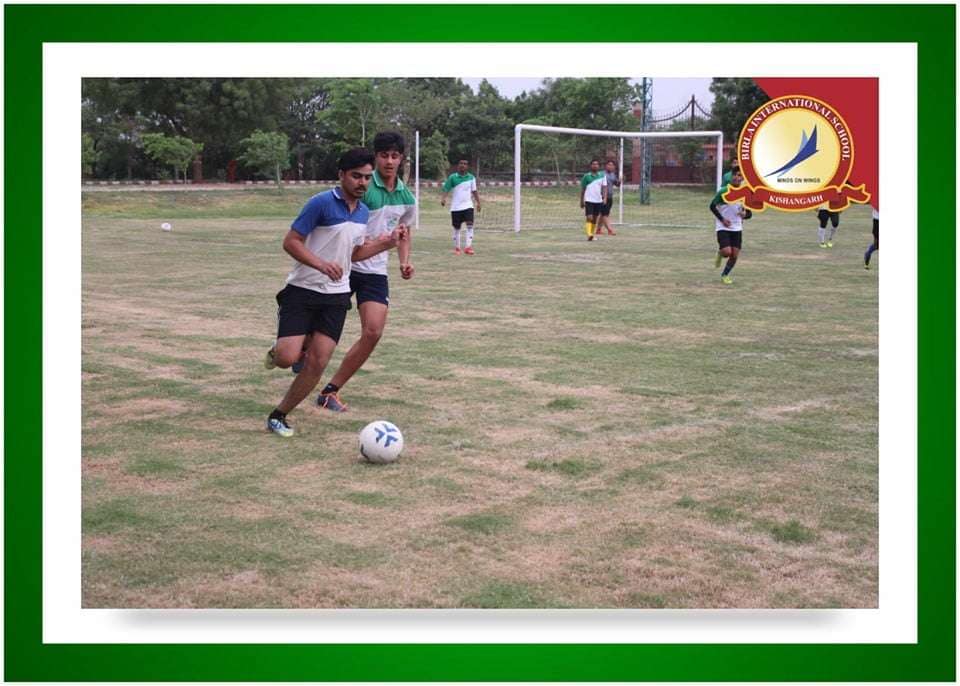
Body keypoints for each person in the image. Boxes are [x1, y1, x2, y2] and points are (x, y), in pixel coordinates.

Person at [263, 148, 400, 437]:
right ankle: (281, 350)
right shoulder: (321, 203)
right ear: (341, 175)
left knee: (317, 362)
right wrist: (321, 264)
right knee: (287, 358)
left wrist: (386, 244)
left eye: (367, 177)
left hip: (337, 297)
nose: (362, 183)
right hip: (302, 291)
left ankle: (279, 415)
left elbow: (355, 253)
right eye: (356, 176)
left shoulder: (362, 212)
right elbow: (291, 242)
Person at [315, 131, 417, 413]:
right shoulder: (363, 187)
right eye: (384, 155)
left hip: (374, 271)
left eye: (394, 156)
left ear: (401, 159)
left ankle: (330, 391)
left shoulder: (407, 197)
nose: (389, 161)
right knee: (320, 331)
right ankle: (295, 346)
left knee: (373, 331)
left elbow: (404, 232)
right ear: (375, 157)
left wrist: (403, 262)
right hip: (344, 266)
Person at [709, 168, 751, 285]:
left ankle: (725, 275)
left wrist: (745, 214)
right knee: (727, 252)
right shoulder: (723, 191)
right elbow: (712, 206)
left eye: (740, 176)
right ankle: (721, 253)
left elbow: (749, 214)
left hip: (737, 228)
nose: (737, 177)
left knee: (734, 255)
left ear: (743, 178)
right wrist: (722, 219)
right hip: (723, 227)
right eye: (735, 175)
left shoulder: (746, 193)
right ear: (731, 176)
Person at [441, 159, 482, 254]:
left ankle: (468, 247)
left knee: (470, 225)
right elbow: (446, 188)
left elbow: (474, 191)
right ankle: (457, 248)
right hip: (456, 207)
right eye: (461, 163)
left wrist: (478, 203)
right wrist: (443, 198)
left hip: (468, 205)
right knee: (457, 228)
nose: (463, 165)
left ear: (467, 166)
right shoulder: (452, 177)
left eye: (465, 164)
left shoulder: (471, 178)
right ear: (458, 165)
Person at [579, 159, 607, 241]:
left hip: (598, 200)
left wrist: (604, 198)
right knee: (589, 217)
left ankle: (592, 234)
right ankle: (589, 234)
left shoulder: (602, 175)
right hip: (589, 200)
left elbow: (604, 187)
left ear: (599, 166)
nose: (595, 165)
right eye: (593, 164)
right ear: (590, 166)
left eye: (597, 164)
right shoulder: (586, 176)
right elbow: (583, 189)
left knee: (595, 218)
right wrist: (581, 200)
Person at [596, 159, 621, 236]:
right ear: (606, 166)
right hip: (602, 197)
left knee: (603, 214)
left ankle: (598, 230)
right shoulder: (601, 174)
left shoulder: (613, 175)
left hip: (610, 197)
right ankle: (610, 230)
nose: (611, 166)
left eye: (612, 165)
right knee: (605, 214)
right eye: (609, 165)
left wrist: (619, 181)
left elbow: (617, 184)